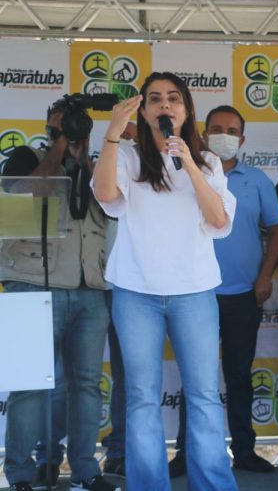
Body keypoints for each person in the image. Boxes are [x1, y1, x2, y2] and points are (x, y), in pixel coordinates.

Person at [92, 72, 238, 491]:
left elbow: (218, 220)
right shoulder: (127, 156)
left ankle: (213, 485)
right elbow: (105, 195)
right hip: (136, 293)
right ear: (143, 111)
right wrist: (113, 133)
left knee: (204, 395)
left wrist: (189, 162)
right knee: (141, 397)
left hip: (194, 292)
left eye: (173, 98)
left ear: (186, 110)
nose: (164, 105)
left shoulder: (207, 162)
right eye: (154, 99)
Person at [1, 99, 118, 491]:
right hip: (32, 285)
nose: (67, 133)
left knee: (87, 385)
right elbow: (22, 199)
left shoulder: (95, 168)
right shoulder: (24, 157)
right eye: (59, 128)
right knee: (29, 387)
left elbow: (112, 209)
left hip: (90, 291)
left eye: (73, 127)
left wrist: (84, 158)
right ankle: (20, 476)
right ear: (49, 129)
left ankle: (85, 470)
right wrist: (57, 150)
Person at [167, 105, 278, 477]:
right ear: (203, 135)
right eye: (217, 128)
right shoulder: (187, 174)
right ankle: (187, 454)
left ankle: (245, 451)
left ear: (243, 139)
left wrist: (265, 276)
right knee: (195, 378)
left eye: (232, 130)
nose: (224, 136)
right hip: (196, 294)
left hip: (243, 295)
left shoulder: (257, 180)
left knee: (238, 375)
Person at [101, 120, 138, 479]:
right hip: (88, 285)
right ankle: (58, 459)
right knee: (66, 377)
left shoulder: (151, 165)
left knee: (128, 376)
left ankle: (123, 452)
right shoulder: (104, 161)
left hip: (129, 288)